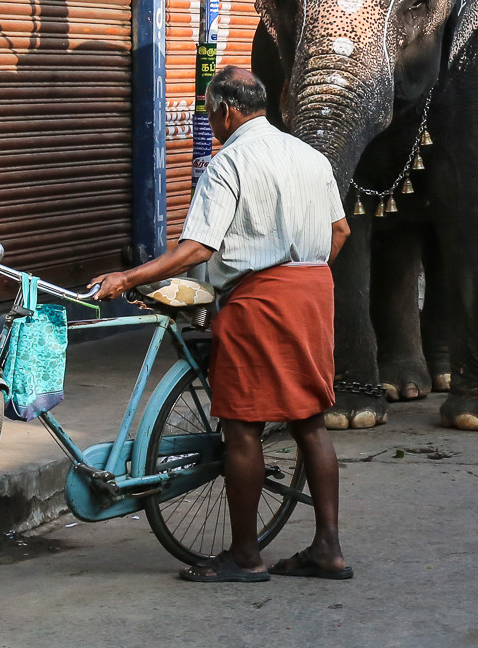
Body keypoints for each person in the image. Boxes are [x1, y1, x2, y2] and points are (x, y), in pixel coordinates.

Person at [90, 67, 352, 583]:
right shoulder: (310, 157)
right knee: (309, 421)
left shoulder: (228, 162)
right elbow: (339, 231)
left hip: (260, 299)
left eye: (209, 114)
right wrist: (304, 276)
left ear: (226, 111)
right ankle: (328, 548)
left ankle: (246, 556)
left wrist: (128, 277)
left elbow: (198, 248)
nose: (211, 124)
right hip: (314, 292)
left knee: (242, 426)